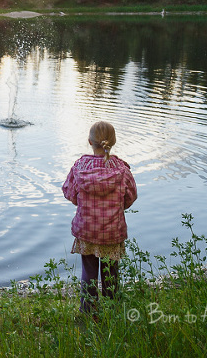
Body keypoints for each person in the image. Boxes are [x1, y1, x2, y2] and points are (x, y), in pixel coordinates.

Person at [62, 121, 137, 316]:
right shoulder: (122, 170)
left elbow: (69, 193)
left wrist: (83, 203)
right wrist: (117, 207)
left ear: (90, 142)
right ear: (113, 142)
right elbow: (131, 197)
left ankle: (88, 312)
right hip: (112, 231)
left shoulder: (80, 167)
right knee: (111, 272)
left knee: (89, 271)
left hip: (87, 230)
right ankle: (112, 310)